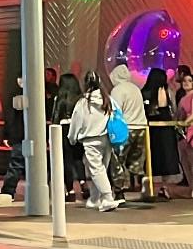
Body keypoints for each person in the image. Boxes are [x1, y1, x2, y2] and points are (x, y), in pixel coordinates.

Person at [68, 71, 122, 213]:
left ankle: (107, 198)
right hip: (108, 139)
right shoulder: (108, 99)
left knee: (96, 170)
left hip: (90, 140)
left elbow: (76, 122)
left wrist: (72, 138)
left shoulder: (83, 103)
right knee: (100, 169)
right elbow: (118, 114)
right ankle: (95, 198)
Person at [109, 61, 147, 193]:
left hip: (126, 129)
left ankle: (119, 190)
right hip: (141, 127)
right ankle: (143, 185)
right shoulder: (135, 88)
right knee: (136, 160)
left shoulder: (117, 90)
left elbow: (115, 112)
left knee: (118, 159)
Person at [142, 67, 181, 197]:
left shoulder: (146, 92)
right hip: (162, 130)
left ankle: (156, 187)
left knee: (157, 157)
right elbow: (171, 110)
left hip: (155, 131)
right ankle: (160, 187)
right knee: (163, 157)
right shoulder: (163, 91)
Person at [52, 71, 84, 199]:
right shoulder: (80, 98)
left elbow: (55, 116)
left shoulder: (60, 98)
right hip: (79, 128)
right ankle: (83, 183)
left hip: (63, 128)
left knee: (66, 160)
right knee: (78, 158)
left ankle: (70, 189)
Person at [0, 79, 26, 198]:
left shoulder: (18, 95)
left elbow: (12, 117)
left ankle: (8, 190)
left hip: (20, 135)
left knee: (16, 163)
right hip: (36, 133)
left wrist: (7, 135)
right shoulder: (40, 92)